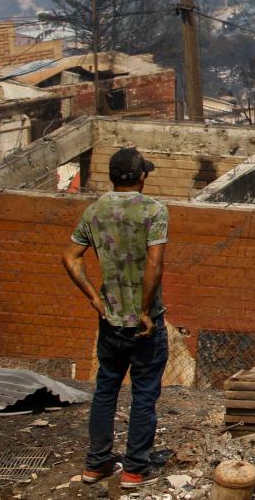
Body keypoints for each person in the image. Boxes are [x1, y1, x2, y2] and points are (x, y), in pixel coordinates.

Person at [62, 147, 169, 491]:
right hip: (143, 323)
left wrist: (95, 299)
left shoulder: (94, 212)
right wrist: (144, 310)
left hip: (109, 320)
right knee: (144, 393)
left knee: (105, 390)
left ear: (111, 177)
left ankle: (96, 465)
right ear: (141, 177)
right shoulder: (154, 211)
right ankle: (135, 469)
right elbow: (154, 264)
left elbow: (70, 258)